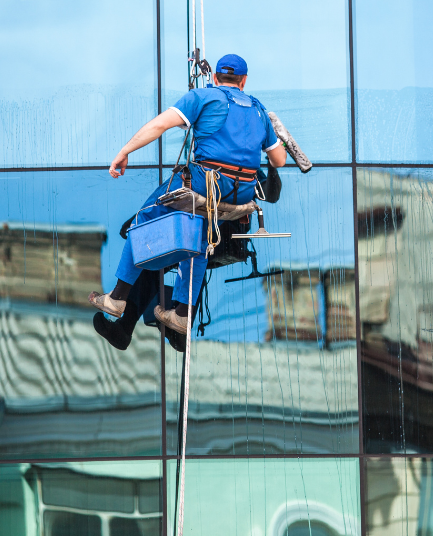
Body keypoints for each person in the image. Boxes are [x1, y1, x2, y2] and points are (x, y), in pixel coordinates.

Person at [89, 53, 287, 337]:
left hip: (205, 185)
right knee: (199, 242)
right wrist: (275, 137)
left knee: (142, 222)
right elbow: (278, 160)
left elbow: (159, 125)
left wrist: (125, 152)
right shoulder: (258, 110)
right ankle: (183, 313)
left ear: (216, 78)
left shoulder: (203, 97)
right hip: (239, 198)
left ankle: (118, 298)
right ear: (244, 81)